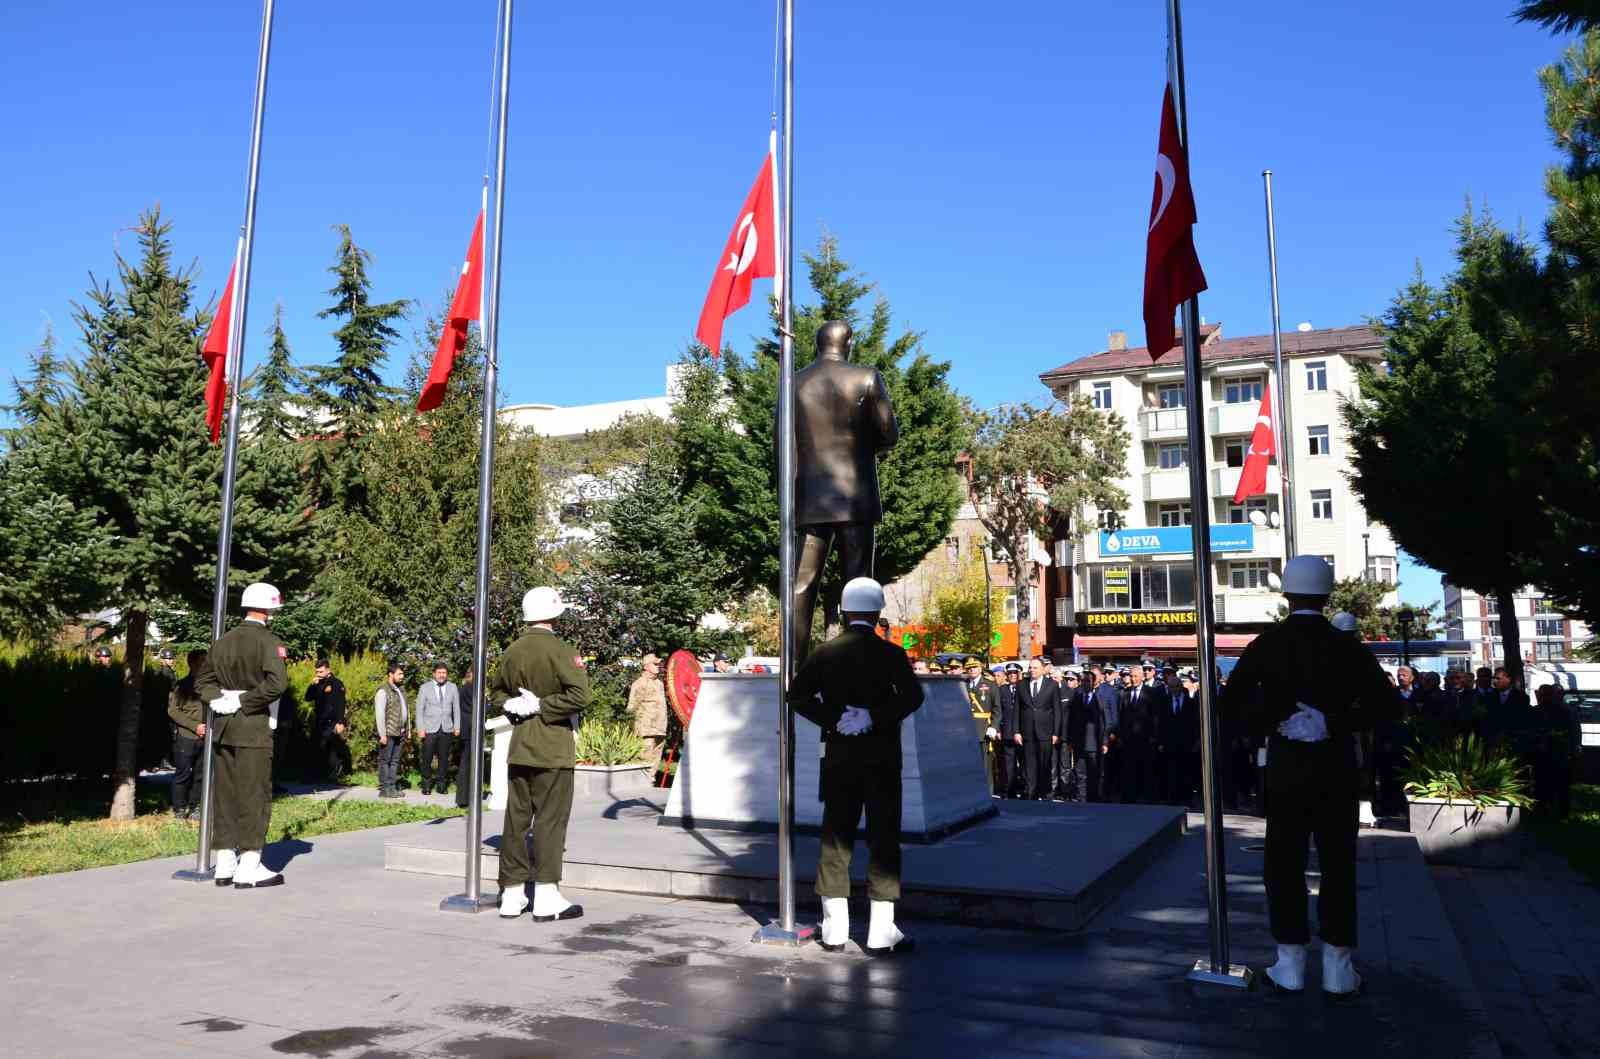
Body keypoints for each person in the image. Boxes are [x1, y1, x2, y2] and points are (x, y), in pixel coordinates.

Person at [1221, 555, 1397, 996]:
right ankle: (1338, 967)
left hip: (1286, 767)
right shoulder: (1347, 647)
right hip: (1336, 766)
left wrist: (1278, 720)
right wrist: (1330, 722)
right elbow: (1388, 705)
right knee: (1338, 862)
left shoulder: (1267, 644)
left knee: (1284, 861)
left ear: (1287, 593)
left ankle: (1290, 963)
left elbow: (1232, 704)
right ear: (1327, 593)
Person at [788, 577, 923, 956]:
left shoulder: (825, 653)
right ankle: (881, 931)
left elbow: (796, 695)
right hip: (881, 759)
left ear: (844, 611)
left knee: (836, 838)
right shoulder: (891, 655)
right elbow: (913, 696)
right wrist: (873, 718)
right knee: (883, 839)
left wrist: (836, 719)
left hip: (839, 759)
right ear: (878, 611)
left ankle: (834, 930)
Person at [788, 320, 901, 658]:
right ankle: (858, 660)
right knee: (857, 585)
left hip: (809, 499)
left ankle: (794, 664)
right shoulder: (866, 378)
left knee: (801, 584)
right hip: (854, 497)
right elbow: (889, 435)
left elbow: (781, 445)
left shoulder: (793, 383)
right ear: (848, 342)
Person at [492, 586, 591, 921]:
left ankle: (512, 893)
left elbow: (496, 693)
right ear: (554, 613)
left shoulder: (512, 650)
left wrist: (511, 704)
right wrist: (545, 705)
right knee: (550, 820)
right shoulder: (562, 650)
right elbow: (579, 696)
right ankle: (547, 894)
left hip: (520, 747)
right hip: (552, 749)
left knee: (516, 821)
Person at [195, 582, 290, 889]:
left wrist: (218, 699)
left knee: (225, 795)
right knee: (254, 794)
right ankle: (249, 866)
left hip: (224, 727)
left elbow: (203, 682)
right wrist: (244, 701)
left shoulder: (223, 641)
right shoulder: (269, 641)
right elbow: (277, 684)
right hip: (253, 727)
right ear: (270, 609)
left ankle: (224, 863)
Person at [167, 649, 208, 820]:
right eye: (201, 662)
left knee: (200, 775)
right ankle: (179, 809)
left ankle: (195, 807)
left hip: (206, 737)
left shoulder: (209, 686)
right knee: (183, 775)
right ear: (192, 664)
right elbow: (173, 711)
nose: (205, 665)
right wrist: (194, 726)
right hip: (186, 736)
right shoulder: (181, 686)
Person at [1116, 663, 1162, 804]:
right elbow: (1121, 716)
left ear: (1142, 677)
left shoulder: (1151, 693)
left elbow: (1156, 716)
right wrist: (1120, 736)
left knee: (1147, 771)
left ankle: (1150, 799)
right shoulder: (1125, 693)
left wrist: (1154, 737)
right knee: (1129, 771)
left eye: (1136, 676)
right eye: (1131, 676)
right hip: (1129, 741)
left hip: (1146, 740)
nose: (1133, 679)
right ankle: (1129, 798)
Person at [414, 663, 460, 796]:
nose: (442, 675)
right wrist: (420, 728)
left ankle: (441, 785)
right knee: (427, 758)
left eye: (444, 673)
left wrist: (457, 726)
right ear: (434, 673)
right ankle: (426, 785)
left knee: (444, 759)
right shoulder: (424, 688)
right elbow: (419, 710)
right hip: (429, 729)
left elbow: (456, 709)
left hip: (446, 728)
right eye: (439, 672)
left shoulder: (452, 687)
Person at [1017, 657, 1060, 800]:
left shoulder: (1052, 685)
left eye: (1035, 668)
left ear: (1042, 669)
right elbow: (1017, 709)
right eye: (1030, 668)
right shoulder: (1021, 684)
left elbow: (1057, 710)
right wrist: (1016, 731)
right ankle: (1031, 793)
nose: (1031, 670)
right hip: (1027, 732)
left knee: (1045, 764)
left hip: (1045, 732)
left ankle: (1045, 792)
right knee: (1029, 765)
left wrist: (1055, 732)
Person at [1158, 666, 1199, 806]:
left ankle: (1187, 798)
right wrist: (1161, 742)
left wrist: (1196, 742)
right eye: (1170, 687)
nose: (1173, 689)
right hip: (1170, 743)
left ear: (1180, 687)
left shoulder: (1190, 703)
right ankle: (1173, 797)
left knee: (1187, 771)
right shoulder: (1164, 702)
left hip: (1187, 743)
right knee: (1171, 771)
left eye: (1175, 686)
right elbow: (1161, 723)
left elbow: (1195, 723)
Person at [1064, 667, 1105, 803]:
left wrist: (1104, 742)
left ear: (1093, 683)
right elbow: (1071, 720)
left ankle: (1093, 799)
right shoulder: (1076, 697)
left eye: (1088, 681)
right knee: (1080, 773)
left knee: (1093, 774)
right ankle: (1082, 799)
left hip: (1094, 743)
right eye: (1083, 681)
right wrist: (1070, 741)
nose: (1085, 684)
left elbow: (1104, 722)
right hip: (1079, 743)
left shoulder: (1100, 698)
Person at [305, 659, 350, 782]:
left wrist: (340, 722)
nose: (318, 674)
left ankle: (333, 776)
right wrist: (312, 685)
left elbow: (341, 704)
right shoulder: (318, 683)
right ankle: (318, 776)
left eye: (321, 671)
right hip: (319, 721)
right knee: (317, 748)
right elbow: (307, 698)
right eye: (316, 671)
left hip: (332, 722)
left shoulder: (336, 683)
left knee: (331, 749)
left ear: (328, 670)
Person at [629, 654, 669, 774]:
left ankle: (651, 781)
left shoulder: (659, 684)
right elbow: (632, 706)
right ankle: (643, 782)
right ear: (646, 666)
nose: (658, 666)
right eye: (655, 664)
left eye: (658, 664)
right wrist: (632, 727)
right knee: (645, 758)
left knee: (656, 759)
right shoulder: (639, 684)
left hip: (660, 727)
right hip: (646, 729)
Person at [374, 663, 409, 799]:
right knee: (385, 760)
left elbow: (407, 711)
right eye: (399, 674)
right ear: (391, 674)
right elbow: (380, 714)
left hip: (400, 731)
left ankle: (392, 787)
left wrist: (408, 729)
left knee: (394, 761)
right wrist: (382, 734)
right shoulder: (383, 691)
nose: (402, 676)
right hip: (388, 732)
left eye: (402, 673)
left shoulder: (401, 690)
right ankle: (384, 789)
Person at [1094, 664, 1123, 801]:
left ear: (1100, 676)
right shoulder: (1084, 690)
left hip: (1105, 735)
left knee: (1105, 769)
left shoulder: (1109, 691)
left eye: (1095, 675)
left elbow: (1113, 715)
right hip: (1090, 736)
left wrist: (1111, 734)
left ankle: (1105, 795)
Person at [455, 665, 482, 809]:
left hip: (466, 728)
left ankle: (464, 796)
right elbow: (478, 707)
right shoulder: (472, 689)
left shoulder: (463, 688)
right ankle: (464, 797)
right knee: (467, 763)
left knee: (466, 762)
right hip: (472, 728)